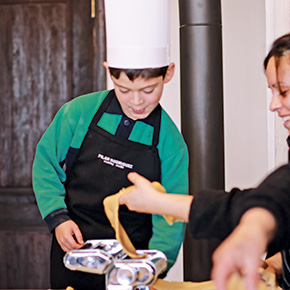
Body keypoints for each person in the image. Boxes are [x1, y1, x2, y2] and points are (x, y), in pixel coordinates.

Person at [32, 0, 188, 289]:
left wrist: (154, 266)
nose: (137, 102)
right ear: (109, 72)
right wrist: (57, 218)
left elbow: (173, 214)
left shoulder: (170, 142)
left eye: (148, 90)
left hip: (133, 266)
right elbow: (45, 164)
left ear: (168, 73)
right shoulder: (78, 113)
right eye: (125, 90)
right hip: (73, 250)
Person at [118, 32, 290, 290]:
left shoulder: (170, 140)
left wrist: (255, 225)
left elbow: (277, 194)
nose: (274, 104)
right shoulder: (79, 113)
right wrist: (275, 264)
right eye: (272, 91)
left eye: (284, 91)